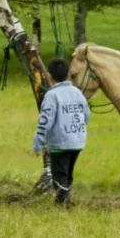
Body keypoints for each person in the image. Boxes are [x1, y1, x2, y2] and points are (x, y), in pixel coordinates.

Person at [32, 57, 90, 206]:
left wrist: (38, 142)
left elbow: (45, 120)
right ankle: (66, 199)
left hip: (60, 143)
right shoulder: (77, 93)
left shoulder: (52, 96)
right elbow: (86, 115)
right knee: (68, 173)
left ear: (49, 76)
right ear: (68, 74)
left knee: (59, 174)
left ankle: (61, 203)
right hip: (77, 141)